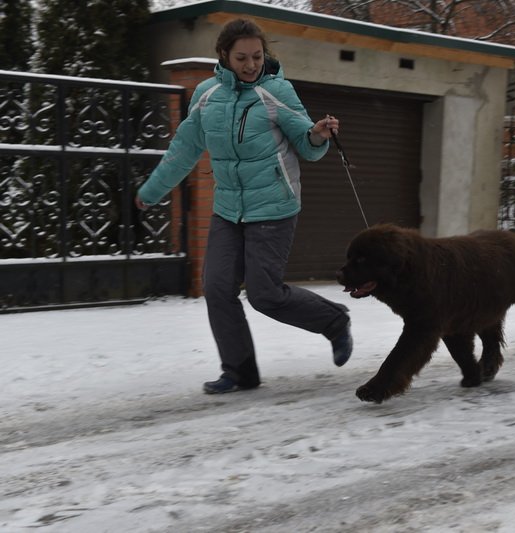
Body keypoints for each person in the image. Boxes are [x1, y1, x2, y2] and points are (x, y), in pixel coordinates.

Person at [135, 18, 353, 394]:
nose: (251, 64)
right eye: (242, 58)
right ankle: (239, 372)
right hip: (228, 210)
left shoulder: (276, 91)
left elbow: (306, 144)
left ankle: (333, 321)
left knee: (264, 294)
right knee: (217, 288)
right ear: (224, 56)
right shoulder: (206, 95)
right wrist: (150, 192)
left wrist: (317, 135)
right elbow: (183, 150)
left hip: (274, 207)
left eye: (256, 56)